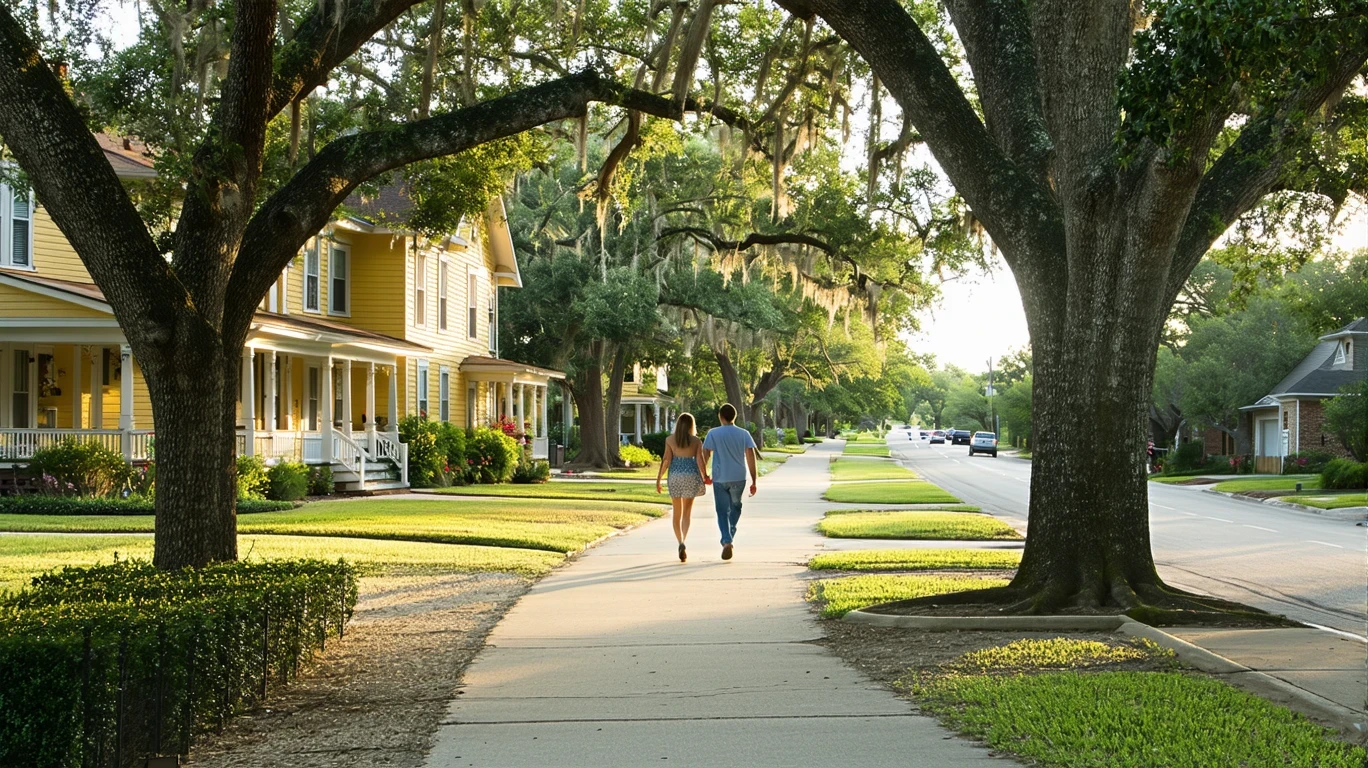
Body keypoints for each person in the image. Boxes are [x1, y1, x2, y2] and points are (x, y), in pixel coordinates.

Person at [701, 403, 758, 561]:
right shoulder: (744, 434)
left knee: (721, 511)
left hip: (719, 478)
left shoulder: (713, 433)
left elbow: (705, 454)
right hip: (739, 477)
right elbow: (751, 458)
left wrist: (704, 474)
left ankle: (727, 540)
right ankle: (729, 534)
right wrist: (754, 480)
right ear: (735, 417)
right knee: (736, 507)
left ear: (720, 416)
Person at [656, 412, 709, 562]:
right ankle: (684, 540)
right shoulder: (696, 441)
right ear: (692, 425)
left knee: (676, 513)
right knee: (687, 513)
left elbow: (666, 460)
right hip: (691, 476)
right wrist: (705, 476)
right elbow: (700, 460)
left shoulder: (669, 440)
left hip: (675, 477)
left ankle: (680, 542)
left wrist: (658, 479)